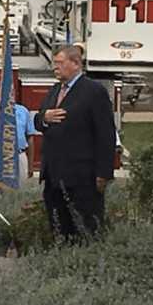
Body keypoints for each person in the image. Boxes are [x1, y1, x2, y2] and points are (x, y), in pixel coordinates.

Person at [33, 44, 116, 243]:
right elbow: (37, 121)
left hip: (82, 176)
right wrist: (45, 117)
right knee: (59, 230)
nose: (55, 67)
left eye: (60, 63)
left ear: (76, 63)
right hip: (54, 175)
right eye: (54, 63)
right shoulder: (55, 90)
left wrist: (104, 173)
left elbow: (106, 134)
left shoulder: (93, 91)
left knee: (85, 230)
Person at [0, 88, 37, 183]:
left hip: (19, 156)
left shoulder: (23, 111)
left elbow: (30, 138)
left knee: (20, 193)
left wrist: (30, 166)